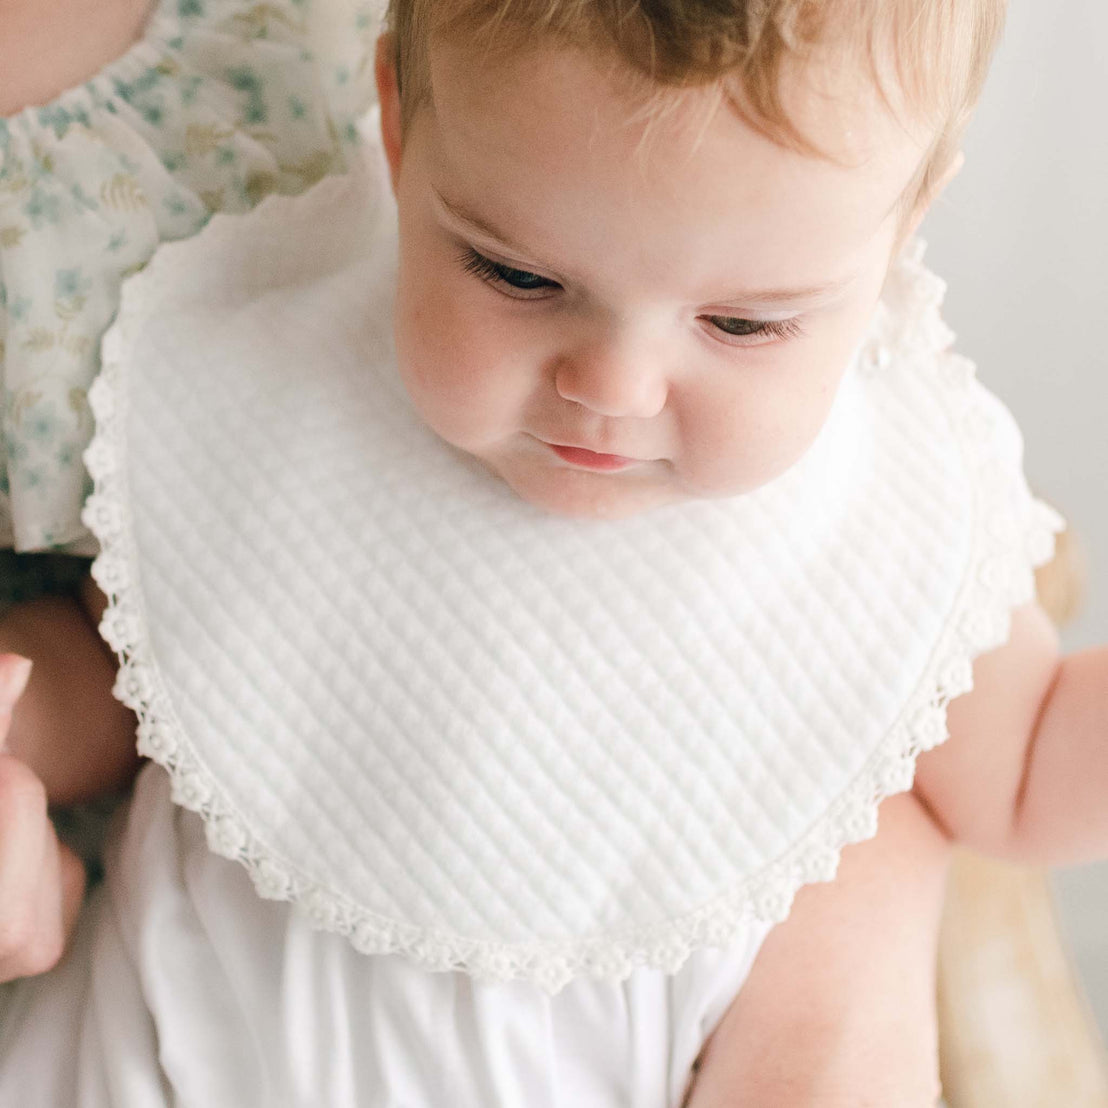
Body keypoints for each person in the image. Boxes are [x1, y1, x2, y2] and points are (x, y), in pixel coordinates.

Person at [0, 0, 1077, 1104]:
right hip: (162, 1058)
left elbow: (1034, 755)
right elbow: (123, 662)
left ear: (901, 225)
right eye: (517, 277)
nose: (611, 388)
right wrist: (21, 713)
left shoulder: (876, 514)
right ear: (400, 128)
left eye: (742, 325)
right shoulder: (286, 381)